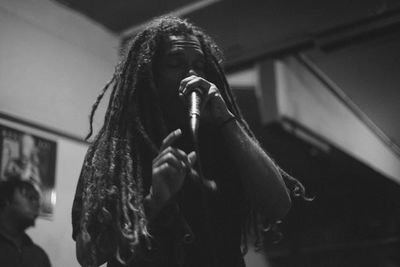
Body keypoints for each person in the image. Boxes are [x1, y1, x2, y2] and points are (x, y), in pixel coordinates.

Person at [72, 16, 306, 267]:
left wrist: (228, 120)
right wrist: (153, 202)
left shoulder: (223, 139)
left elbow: (278, 205)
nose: (192, 74)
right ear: (149, 74)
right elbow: (88, 256)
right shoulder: (117, 153)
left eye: (200, 65)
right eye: (175, 63)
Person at [0, 179, 51, 267]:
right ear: (6, 201)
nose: (37, 204)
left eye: (37, 199)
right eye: (30, 197)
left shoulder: (39, 255)